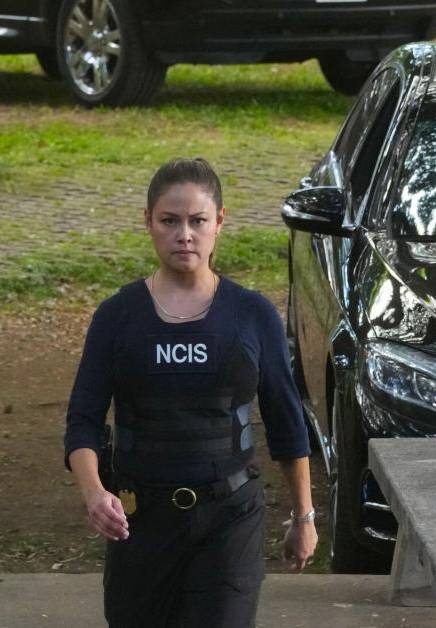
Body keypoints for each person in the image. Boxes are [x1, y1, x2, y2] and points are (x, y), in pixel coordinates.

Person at [63, 158, 317, 627]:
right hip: (141, 520)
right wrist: (95, 493)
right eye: (170, 221)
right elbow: (82, 421)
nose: (185, 234)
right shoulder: (117, 317)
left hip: (230, 516)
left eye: (197, 221)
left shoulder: (252, 314)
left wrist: (304, 516)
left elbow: (287, 421)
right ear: (148, 222)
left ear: (219, 222)